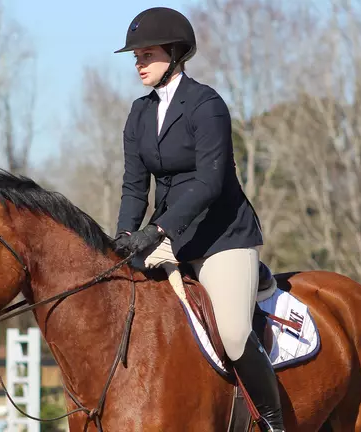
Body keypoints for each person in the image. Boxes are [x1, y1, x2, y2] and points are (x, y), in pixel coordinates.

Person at [111, 7, 285, 432]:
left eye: (146, 54)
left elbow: (209, 181)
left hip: (221, 234)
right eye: (135, 56)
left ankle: (274, 423)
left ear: (174, 53)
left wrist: (158, 230)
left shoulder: (206, 105)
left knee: (231, 330)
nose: (138, 63)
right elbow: (135, 187)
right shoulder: (138, 113)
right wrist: (124, 235)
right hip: (167, 233)